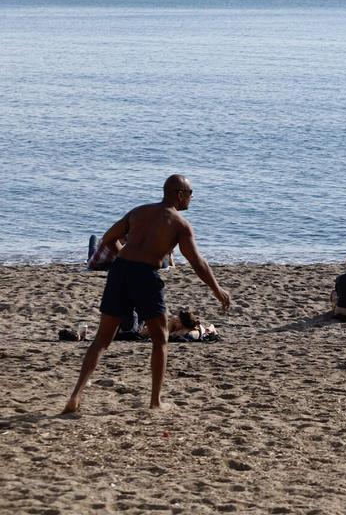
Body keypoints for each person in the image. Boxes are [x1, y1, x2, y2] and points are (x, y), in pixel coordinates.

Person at [63, 174, 231, 413]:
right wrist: (217, 289)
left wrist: (123, 255)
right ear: (179, 193)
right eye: (190, 193)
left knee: (102, 339)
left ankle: (75, 396)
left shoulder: (139, 212)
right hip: (145, 277)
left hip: (119, 273)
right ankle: (155, 402)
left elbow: (109, 239)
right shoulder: (179, 224)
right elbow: (197, 262)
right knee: (160, 339)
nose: (192, 197)